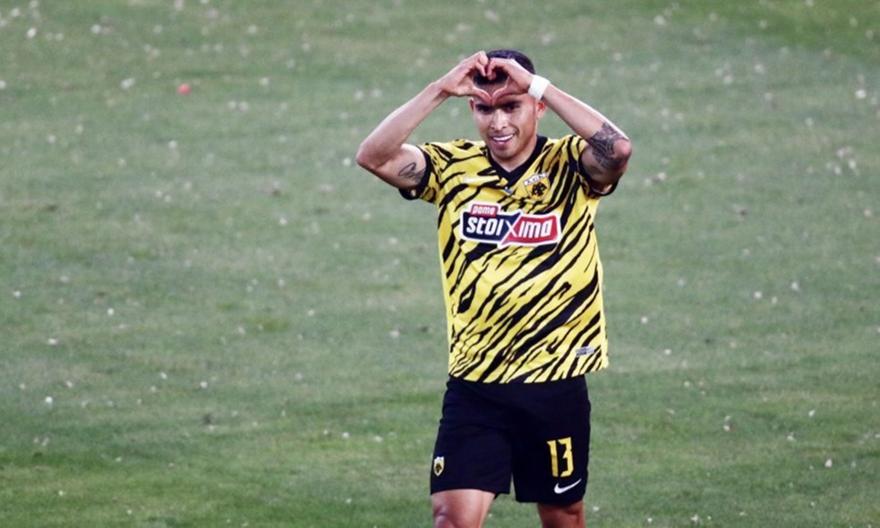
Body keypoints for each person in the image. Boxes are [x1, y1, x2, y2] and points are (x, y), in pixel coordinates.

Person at [356, 49, 632, 528]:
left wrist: (538, 84)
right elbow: (373, 156)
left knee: (563, 515)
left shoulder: (570, 163)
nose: (498, 122)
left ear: (537, 107)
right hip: (476, 384)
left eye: (511, 106)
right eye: (485, 109)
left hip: (554, 381)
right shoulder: (451, 167)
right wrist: (440, 88)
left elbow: (619, 150)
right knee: (451, 519)